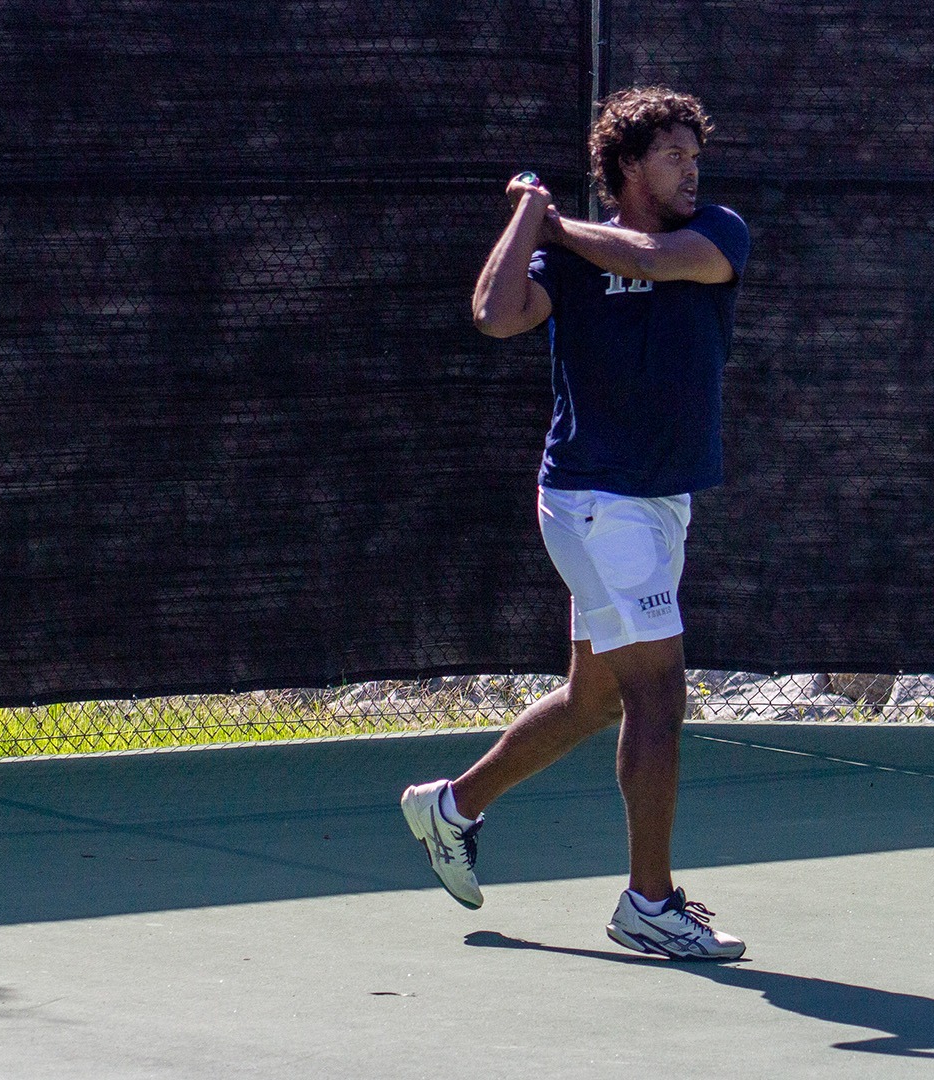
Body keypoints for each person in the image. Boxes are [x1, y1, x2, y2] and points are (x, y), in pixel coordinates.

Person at [400, 87, 750, 961]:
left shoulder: (715, 233)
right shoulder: (565, 259)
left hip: (659, 499)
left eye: (694, 157)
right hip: (598, 502)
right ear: (627, 166)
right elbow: (493, 314)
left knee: (597, 697)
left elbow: (661, 260)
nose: (691, 171)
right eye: (673, 157)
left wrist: (558, 228)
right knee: (659, 696)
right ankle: (649, 902)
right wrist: (528, 214)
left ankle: (450, 806)